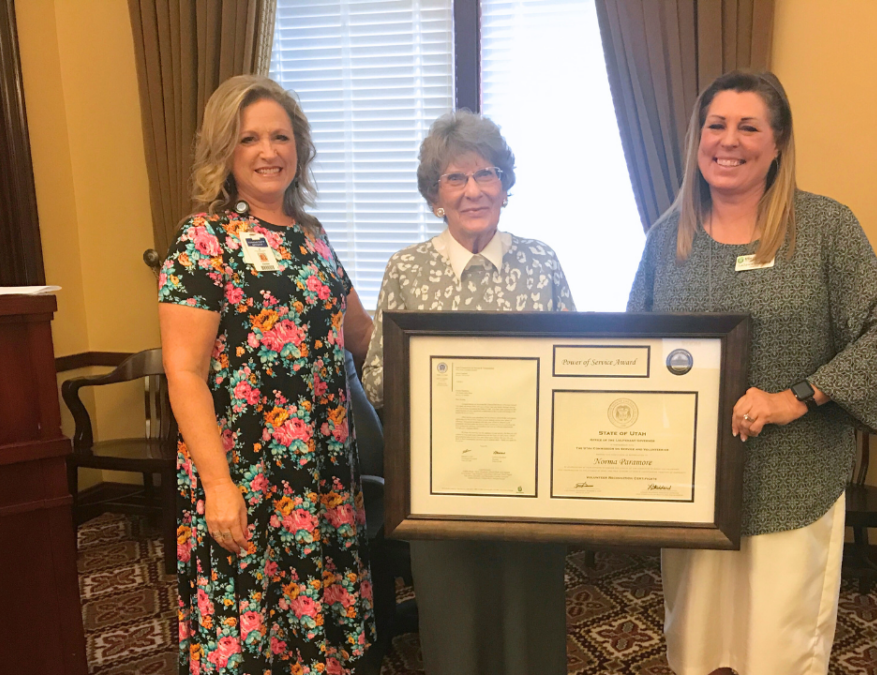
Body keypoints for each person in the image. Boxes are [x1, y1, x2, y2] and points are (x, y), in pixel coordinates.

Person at [627, 70, 877, 675]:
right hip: (695, 485)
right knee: (696, 645)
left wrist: (798, 396)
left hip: (794, 478)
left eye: (748, 127)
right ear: (697, 139)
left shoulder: (825, 228)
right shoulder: (666, 241)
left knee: (778, 651)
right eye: (716, 125)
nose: (729, 140)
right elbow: (636, 349)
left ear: (777, 143)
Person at [158, 74, 378, 675]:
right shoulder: (202, 241)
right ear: (225, 150)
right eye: (249, 137)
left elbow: (361, 335)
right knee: (252, 636)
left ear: (298, 148)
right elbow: (183, 373)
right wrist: (218, 484)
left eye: (281, 137)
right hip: (245, 470)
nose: (268, 151)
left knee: (320, 629)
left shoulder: (313, 237)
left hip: (321, 467)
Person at [361, 110, 573, 675]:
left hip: (532, 480)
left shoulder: (541, 261)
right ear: (436, 194)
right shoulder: (406, 269)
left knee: (531, 615)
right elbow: (379, 379)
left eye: (487, 174)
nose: (473, 190)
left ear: (506, 185)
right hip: (441, 479)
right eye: (456, 179)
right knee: (455, 619)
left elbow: (574, 374)